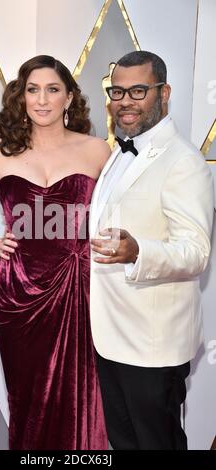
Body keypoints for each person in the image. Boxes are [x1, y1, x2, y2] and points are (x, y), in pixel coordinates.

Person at [0, 55, 110, 450]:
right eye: (33, 89)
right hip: (20, 295)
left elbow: (119, 214)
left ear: (69, 98)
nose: (42, 100)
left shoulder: (98, 151)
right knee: (28, 401)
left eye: (52, 89)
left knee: (83, 400)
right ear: (22, 96)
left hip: (81, 292)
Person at [90, 50, 214, 450]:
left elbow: (196, 251)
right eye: (118, 91)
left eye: (138, 91)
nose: (125, 101)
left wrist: (139, 251)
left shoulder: (185, 162)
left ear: (164, 93)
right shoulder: (119, 152)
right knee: (125, 444)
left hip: (153, 347)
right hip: (111, 337)